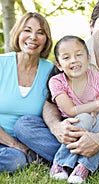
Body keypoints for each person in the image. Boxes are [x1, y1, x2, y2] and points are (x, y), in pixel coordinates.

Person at [15, 0, 99, 178]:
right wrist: (56, 127)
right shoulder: (72, 50)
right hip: (71, 126)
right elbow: (50, 101)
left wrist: (98, 140)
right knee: (24, 125)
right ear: (92, 24)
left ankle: (63, 160)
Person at [48, 35, 99, 183]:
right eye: (66, 57)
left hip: (97, 124)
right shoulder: (56, 81)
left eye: (79, 55)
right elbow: (71, 111)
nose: (74, 60)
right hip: (72, 122)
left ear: (88, 58)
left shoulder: (98, 79)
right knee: (84, 117)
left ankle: (83, 166)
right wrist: (97, 104)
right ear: (59, 65)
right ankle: (60, 163)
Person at [0, 12, 53, 172]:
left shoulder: (51, 70)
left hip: (31, 138)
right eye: (27, 30)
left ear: (46, 40)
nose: (33, 37)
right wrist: (15, 144)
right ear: (18, 34)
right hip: (6, 140)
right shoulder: (1, 63)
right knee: (15, 160)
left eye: (40, 33)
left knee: (16, 159)